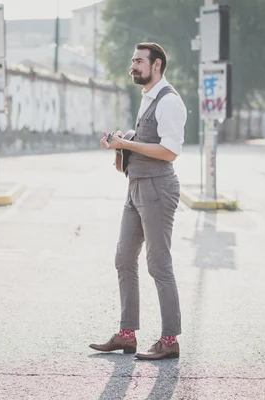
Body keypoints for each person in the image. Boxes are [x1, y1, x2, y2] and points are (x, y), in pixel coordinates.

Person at [89, 42, 187, 360]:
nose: (133, 65)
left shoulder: (169, 101)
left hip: (158, 189)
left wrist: (127, 142)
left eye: (139, 61)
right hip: (136, 188)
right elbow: (144, 148)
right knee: (123, 258)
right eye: (132, 60)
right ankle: (127, 335)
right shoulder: (147, 99)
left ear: (157, 64)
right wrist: (121, 145)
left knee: (159, 265)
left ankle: (170, 340)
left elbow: (170, 151)